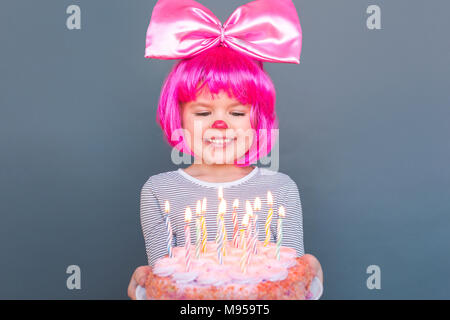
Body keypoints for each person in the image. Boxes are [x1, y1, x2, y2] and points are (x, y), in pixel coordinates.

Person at [128, 0, 323, 299]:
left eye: (237, 113)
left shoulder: (280, 189)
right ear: (177, 116)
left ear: (258, 120)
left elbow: (290, 278)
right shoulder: (159, 191)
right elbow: (165, 279)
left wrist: (310, 276)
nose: (220, 125)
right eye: (203, 113)